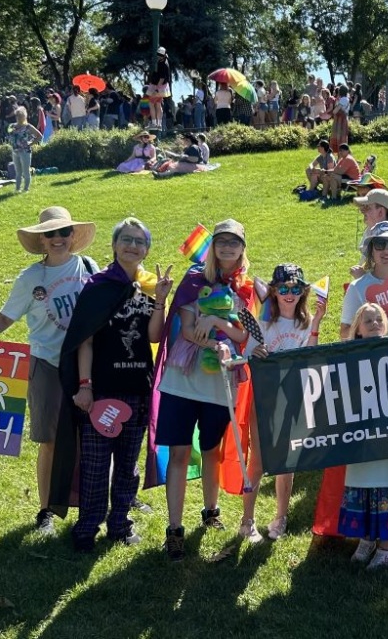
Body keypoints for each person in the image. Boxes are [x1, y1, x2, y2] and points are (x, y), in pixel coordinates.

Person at [0, 207, 99, 534]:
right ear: (42, 240)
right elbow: (5, 318)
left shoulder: (90, 269)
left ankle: (90, 506)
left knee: (87, 439)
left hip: (86, 364)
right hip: (46, 364)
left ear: (73, 236)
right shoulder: (30, 279)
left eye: (64, 232)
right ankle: (46, 511)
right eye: (51, 234)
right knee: (49, 440)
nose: (59, 239)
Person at [62, 219, 173, 551]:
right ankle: (86, 527)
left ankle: (120, 524)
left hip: (138, 387)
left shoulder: (148, 288)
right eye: (127, 240)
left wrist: (161, 300)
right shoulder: (97, 286)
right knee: (96, 464)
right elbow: (85, 341)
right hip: (103, 390)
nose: (133, 246)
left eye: (140, 242)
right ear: (114, 245)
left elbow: (154, 336)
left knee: (127, 464)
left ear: (147, 249)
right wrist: (85, 385)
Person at [155, 219, 252, 561]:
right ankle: (175, 528)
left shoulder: (244, 288)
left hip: (218, 383)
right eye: (221, 241)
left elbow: (244, 335)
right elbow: (186, 332)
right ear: (212, 246)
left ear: (242, 248)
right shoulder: (194, 278)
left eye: (234, 242)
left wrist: (216, 323)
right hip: (183, 379)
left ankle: (211, 511)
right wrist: (211, 336)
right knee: (181, 453)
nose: (227, 247)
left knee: (211, 449)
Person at [245, 264, 327, 541]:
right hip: (264, 397)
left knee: (286, 461)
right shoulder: (263, 320)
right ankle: (247, 520)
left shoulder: (303, 322)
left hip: (293, 396)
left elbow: (311, 355)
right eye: (283, 289)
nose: (289, 294)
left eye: (295, 289)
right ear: (274, 291)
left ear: (302, 292)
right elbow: (249, 355)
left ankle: (281, 517)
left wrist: (316, 322)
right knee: (257, 461)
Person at [338, 301, 388, 569]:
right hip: (360, 437)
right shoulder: (347, 355)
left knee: (386, 485)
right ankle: (366, 539)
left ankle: (387, 547)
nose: (375, 324)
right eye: (368, 321)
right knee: (362, 484)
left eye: (379, 319)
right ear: (358, 330)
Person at [7, 107, 43, 193]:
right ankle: (17, 189)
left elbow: (39, 136)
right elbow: (8, 132)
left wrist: (31, 143)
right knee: (18, 171)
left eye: (20, 116)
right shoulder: (12, 126)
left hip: (25, 151)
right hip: (15, 151)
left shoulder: (28, 127)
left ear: (24, 116)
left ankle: (26, 189)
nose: (19, 118)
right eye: (17, 116)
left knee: (26, 171)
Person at [147, 48, 172, 130]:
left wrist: (157, 89)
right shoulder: (164, 61)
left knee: (151, 103)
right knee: (158, 104)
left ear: (164, 55)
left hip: (158, 86)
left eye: (160, 55)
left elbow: (162, 78)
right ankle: (159, 124)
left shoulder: (163, 64)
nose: (159, 56)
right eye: (159, 55)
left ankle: (154, 123)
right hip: (162, 87)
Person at [330, 84, 350, 153]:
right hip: (342, 119)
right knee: (342, 137)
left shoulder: (343, 99)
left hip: (340, 121)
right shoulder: (344, 99)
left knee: (340, 137)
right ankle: (341, 154)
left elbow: (335, 111)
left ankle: (342, 154)